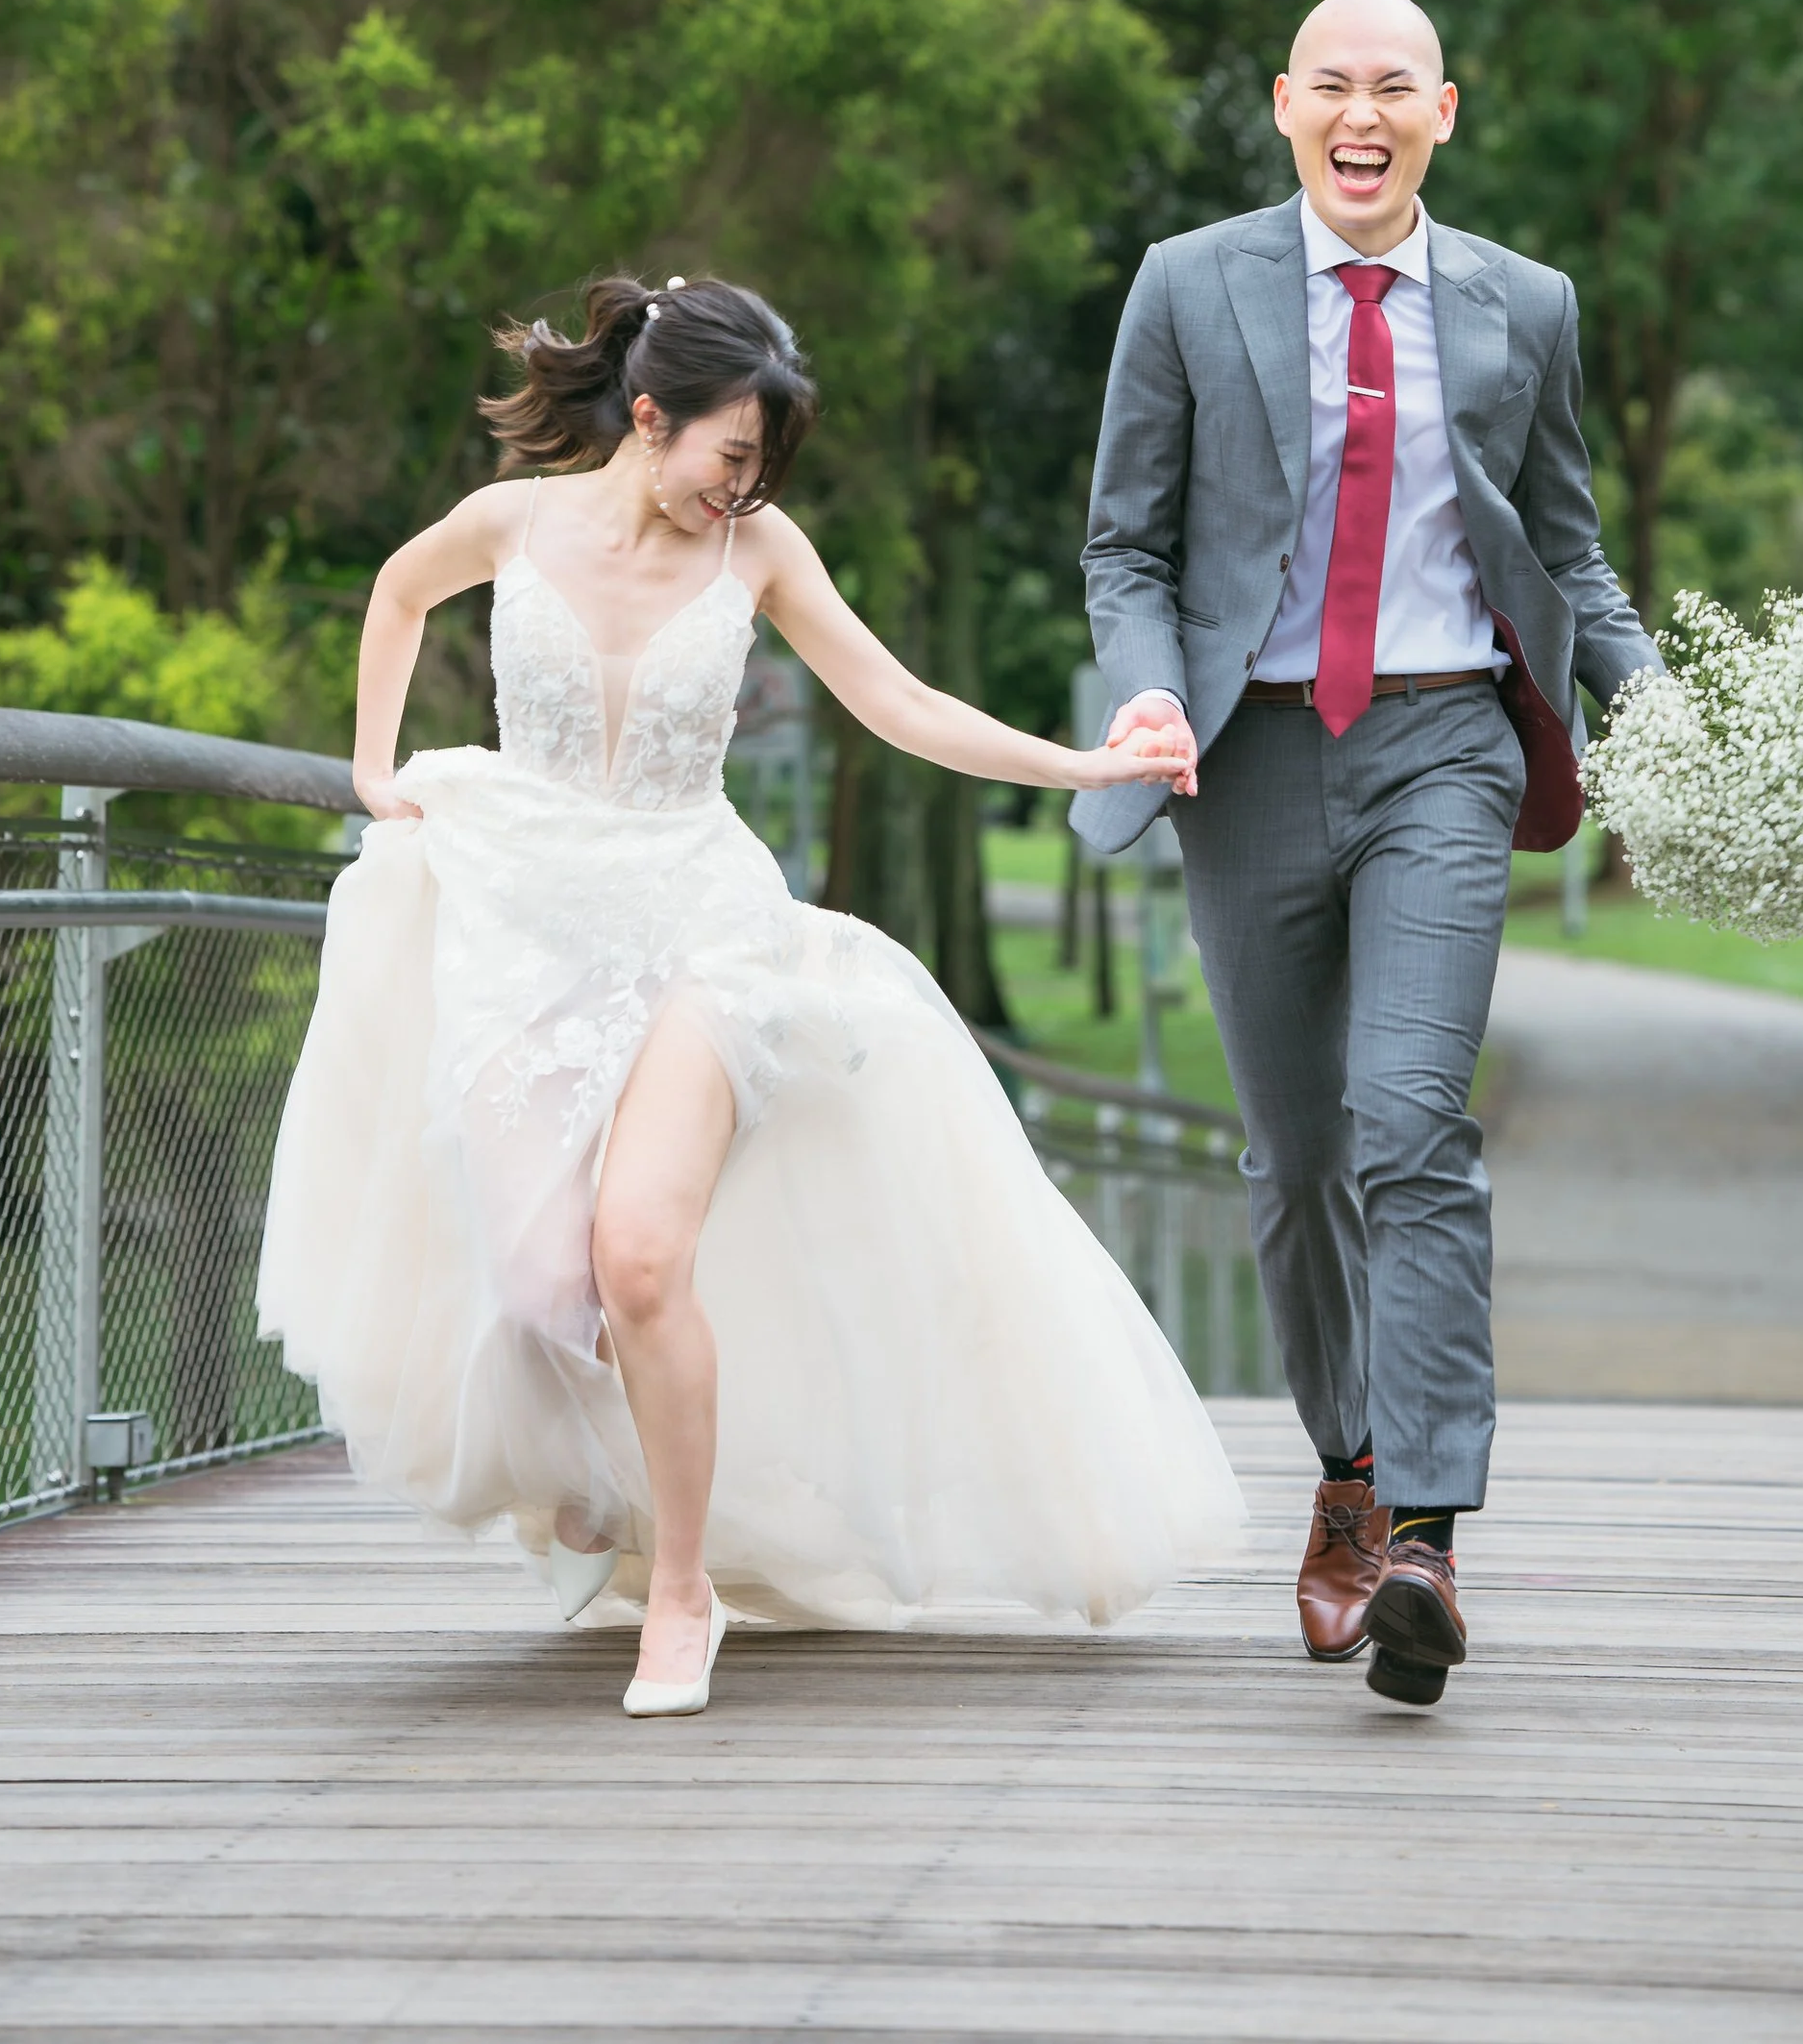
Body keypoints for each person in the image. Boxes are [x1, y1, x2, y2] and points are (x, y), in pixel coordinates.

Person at [259, 273, 1246, 1717]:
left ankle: (680, 1590)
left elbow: (899, 703)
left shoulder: (759, 552)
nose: (746, 489)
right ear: (648, 416)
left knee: (640, 1255)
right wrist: (372, 768)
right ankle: (607, 1482)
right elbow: (400, 591)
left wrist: (1089, 763)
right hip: (518, 915)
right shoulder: (513, 522)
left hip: (698, 930)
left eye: (765, 470)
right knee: (539, 1282)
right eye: (731, 456)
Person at [1074, 0, 1659, 1708]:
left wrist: (1664, 720)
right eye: (1333, 83)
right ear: (1283, 106)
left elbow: (1572, 551)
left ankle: (1424, 1537)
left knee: (1413, 1123)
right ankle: (1342, 1462)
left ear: (1444, 114)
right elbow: (1125, 546)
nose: (1363, 110)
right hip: (1245, 755)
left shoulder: (1524, 306)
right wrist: (1151, 697)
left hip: (1443, 748)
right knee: (1293, 1153)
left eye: (1394, 86)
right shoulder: (1188, 283)